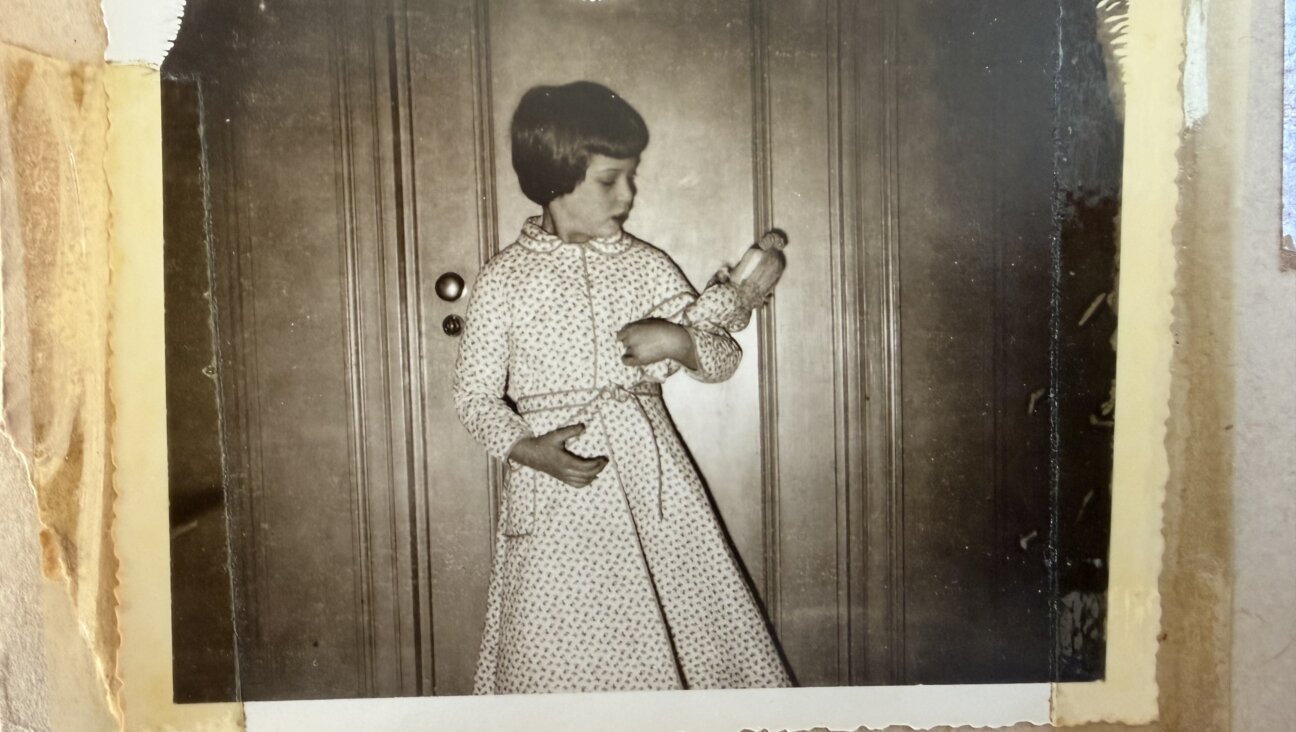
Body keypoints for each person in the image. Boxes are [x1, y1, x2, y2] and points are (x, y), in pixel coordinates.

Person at [453, 80, 791, 694]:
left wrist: (681, 341)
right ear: (556, 178)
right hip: (556, 493)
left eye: (631, 177)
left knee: (675, 632)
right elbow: (474, 397)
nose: (629, 194)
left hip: (650, 485)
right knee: (555, 648)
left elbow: (721, 354)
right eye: (611, 179)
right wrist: (528, 449)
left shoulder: (647, 265)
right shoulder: (504, 279)